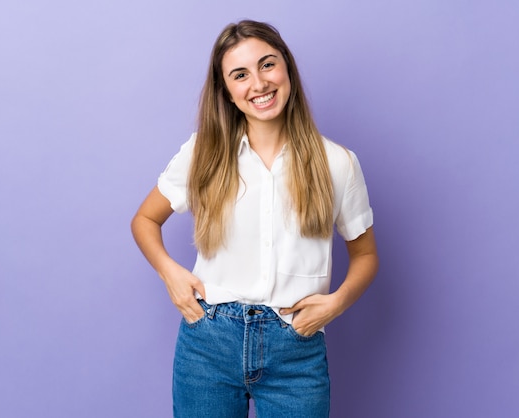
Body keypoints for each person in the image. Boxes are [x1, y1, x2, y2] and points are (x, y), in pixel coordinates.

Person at [131, 19, 378, 418]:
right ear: (227, 92)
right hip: (208, 344)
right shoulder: (203, 154)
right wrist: (170, 275)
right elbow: (144, 220)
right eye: (240, 75)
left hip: (296, 347)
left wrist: (336, 304)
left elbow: (366, 255)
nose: (259, 84)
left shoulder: (338, 163)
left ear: (287, 70)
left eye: (267, 65)